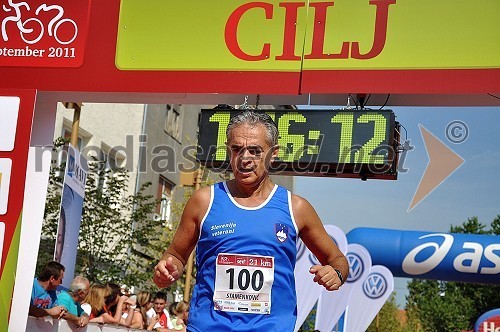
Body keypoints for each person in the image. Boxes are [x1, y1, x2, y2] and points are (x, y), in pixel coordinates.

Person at [153, 110, 349, 332]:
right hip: (209, 327)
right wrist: (167, 270)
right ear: (228, 151)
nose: (244, 158)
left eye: (255, 151)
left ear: (273, 154)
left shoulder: (296, 208)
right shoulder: (204, 201)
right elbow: (176, 256)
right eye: (237, 149)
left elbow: (337, 259)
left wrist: (337, 274)